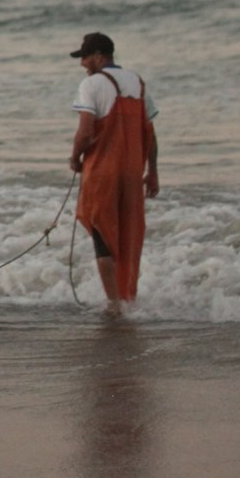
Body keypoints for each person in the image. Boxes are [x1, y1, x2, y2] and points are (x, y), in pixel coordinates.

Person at [69, 32, 159, 311]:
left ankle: (114, 304)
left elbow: (85, 131)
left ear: (98, 56)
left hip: (103, 172)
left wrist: (74, 157)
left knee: (102, 232)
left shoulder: (92, 84)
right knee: (128, 233)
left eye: (84, 57)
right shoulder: (138, 83)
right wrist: (153, 171)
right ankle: (128, 296)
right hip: (133, 172)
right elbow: (150, 134)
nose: (83, 63)